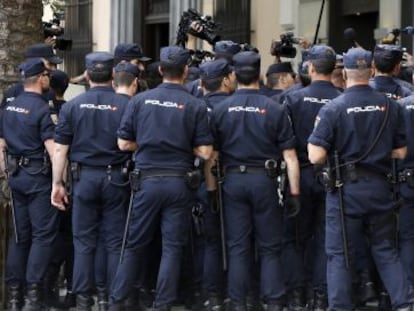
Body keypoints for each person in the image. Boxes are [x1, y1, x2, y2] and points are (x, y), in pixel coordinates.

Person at [308, 47, 413, 311]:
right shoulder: (391, 105)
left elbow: (315, 156)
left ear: (344, 73)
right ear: (372, 71)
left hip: (346, 191)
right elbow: (400, 151)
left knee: (340, 254)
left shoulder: (335, 107)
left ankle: (340, 307)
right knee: (385, 250)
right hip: (381, 186)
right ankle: (405, 304)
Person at [109, 45, 213, 311]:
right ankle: (163, 304)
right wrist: (179, 145)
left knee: (134, 243)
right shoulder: (196, 104)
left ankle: (117, 301)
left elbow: (123, 143)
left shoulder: (139, 101)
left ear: (160, 70)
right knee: (172, 246)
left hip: (146, 181)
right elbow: (205, 151)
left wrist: (146, 145)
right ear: (186, 71)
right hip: (179, 182)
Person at [209, 51, 300, 311]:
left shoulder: (220, 109)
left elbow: (211, 157)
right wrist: (294, 193)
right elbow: (290, 156)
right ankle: (273, 300)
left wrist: (212, 191)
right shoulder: (275, 108)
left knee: (238, 247)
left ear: (234, 75)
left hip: (232, 181)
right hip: (265, 181)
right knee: (270, 246)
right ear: (260, 75)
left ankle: (239, 302)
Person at [51, 52, 131, 311]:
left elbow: (60, 149)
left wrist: (57, 183)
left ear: (86, 75)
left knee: (83, 242)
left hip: (84, 177)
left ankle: (84, 299)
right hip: (116, 178)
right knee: (114, 241)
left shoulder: (73, 106)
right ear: (112, 76)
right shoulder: (126, 104)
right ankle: (110, 298)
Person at [282, 45, 340, 311]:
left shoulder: (292, 99)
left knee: (296, 238)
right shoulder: (341, 99)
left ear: (310, 68)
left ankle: (296, 295)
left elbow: (284, 143)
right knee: (325, 238)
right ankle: (319, 295)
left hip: (301, 174)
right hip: (333, 177)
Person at [0, 58, 59, 310]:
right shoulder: (43, 110)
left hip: (16, 176)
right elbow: (54, 150)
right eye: (47, 75)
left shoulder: (9, 107)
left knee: (19, 236)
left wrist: (7, 174)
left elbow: (1, 146)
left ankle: (14, 297)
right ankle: (33, 297)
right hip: (37, 176)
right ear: (41, 78)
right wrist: (59, 183)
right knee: (42, 236)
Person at [1, 43, 62, 108]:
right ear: (35, 63)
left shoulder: (51, 90)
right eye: (50, 64)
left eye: (54, 65)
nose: (53, 69)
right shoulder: (14, 93)